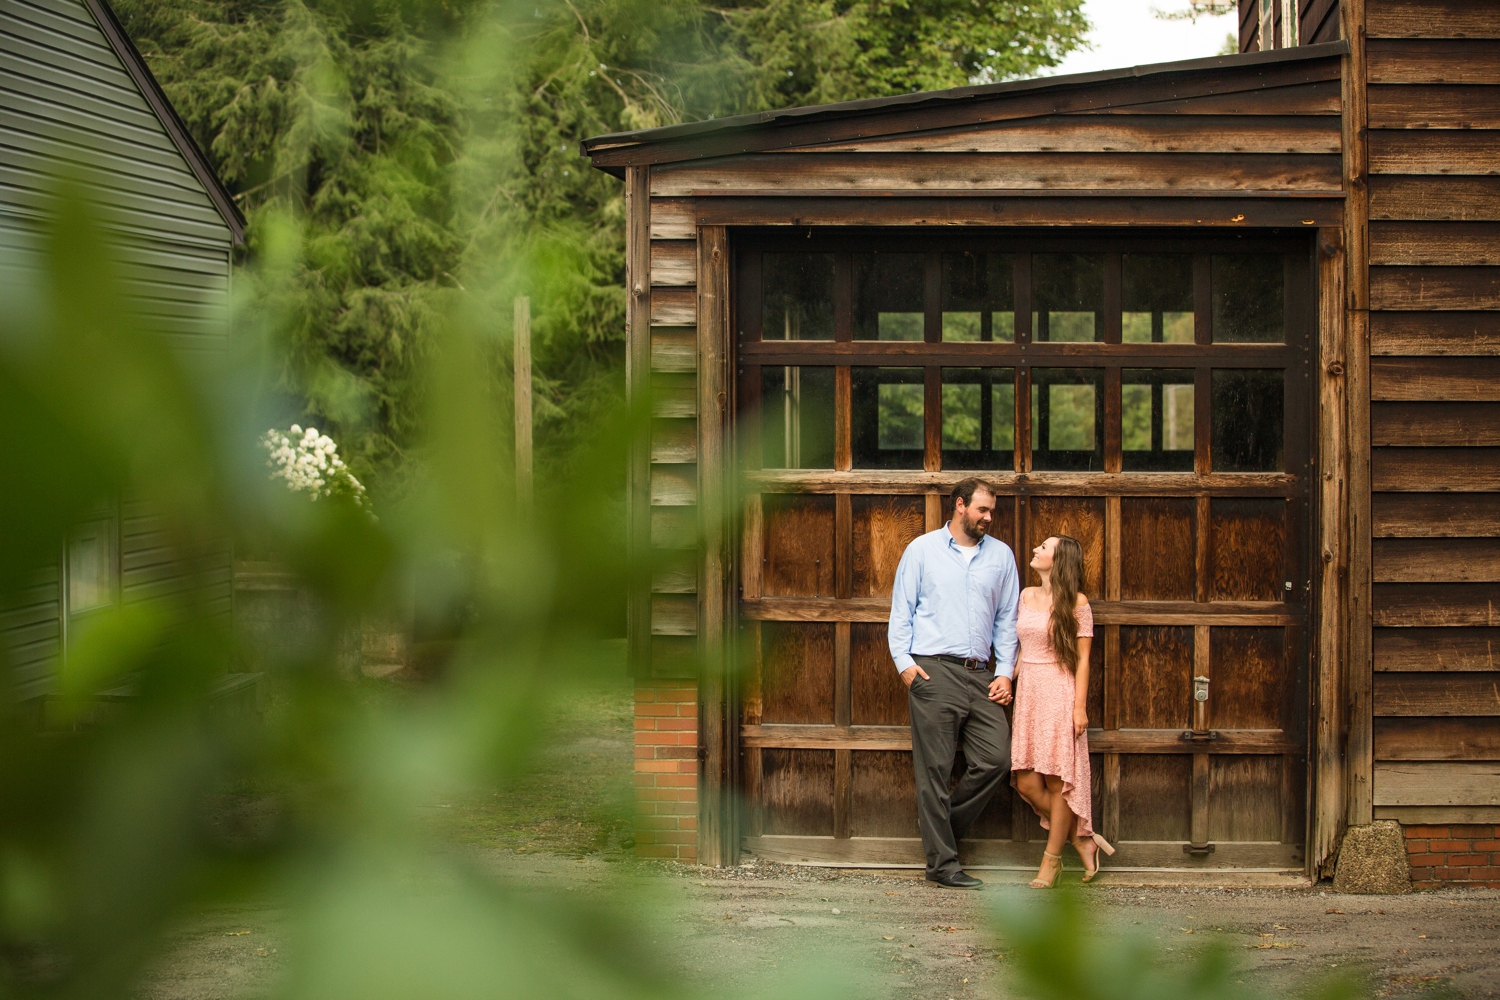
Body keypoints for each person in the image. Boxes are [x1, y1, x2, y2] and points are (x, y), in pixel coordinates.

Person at [887, 479, 1020, 889]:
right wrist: (904, 663)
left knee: (996, 759)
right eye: (982, 509)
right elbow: (902, 610)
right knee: (935, 771)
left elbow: (1007, 620)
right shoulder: (922, 550)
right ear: (960, 506)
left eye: (992, 511)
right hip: (933, 670)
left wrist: (1004, 671)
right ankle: (942, 866)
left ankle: (939, 834)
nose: (989, 517)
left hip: (982, 675)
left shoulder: (1001, 556)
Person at [1011, 534, 1115, 888]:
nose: (1036, 549)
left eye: (1044, 547)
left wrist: (1079, 708)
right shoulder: (1026, 596)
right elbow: (1024, 648)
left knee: (1058, 781)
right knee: (1026, 781)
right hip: (1029, 693)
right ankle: (1080, 839)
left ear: (1059, 560)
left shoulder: (1077, 602)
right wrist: (1007, 680)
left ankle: (1051, 862)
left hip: (1059, 690)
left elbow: (1084, 659)